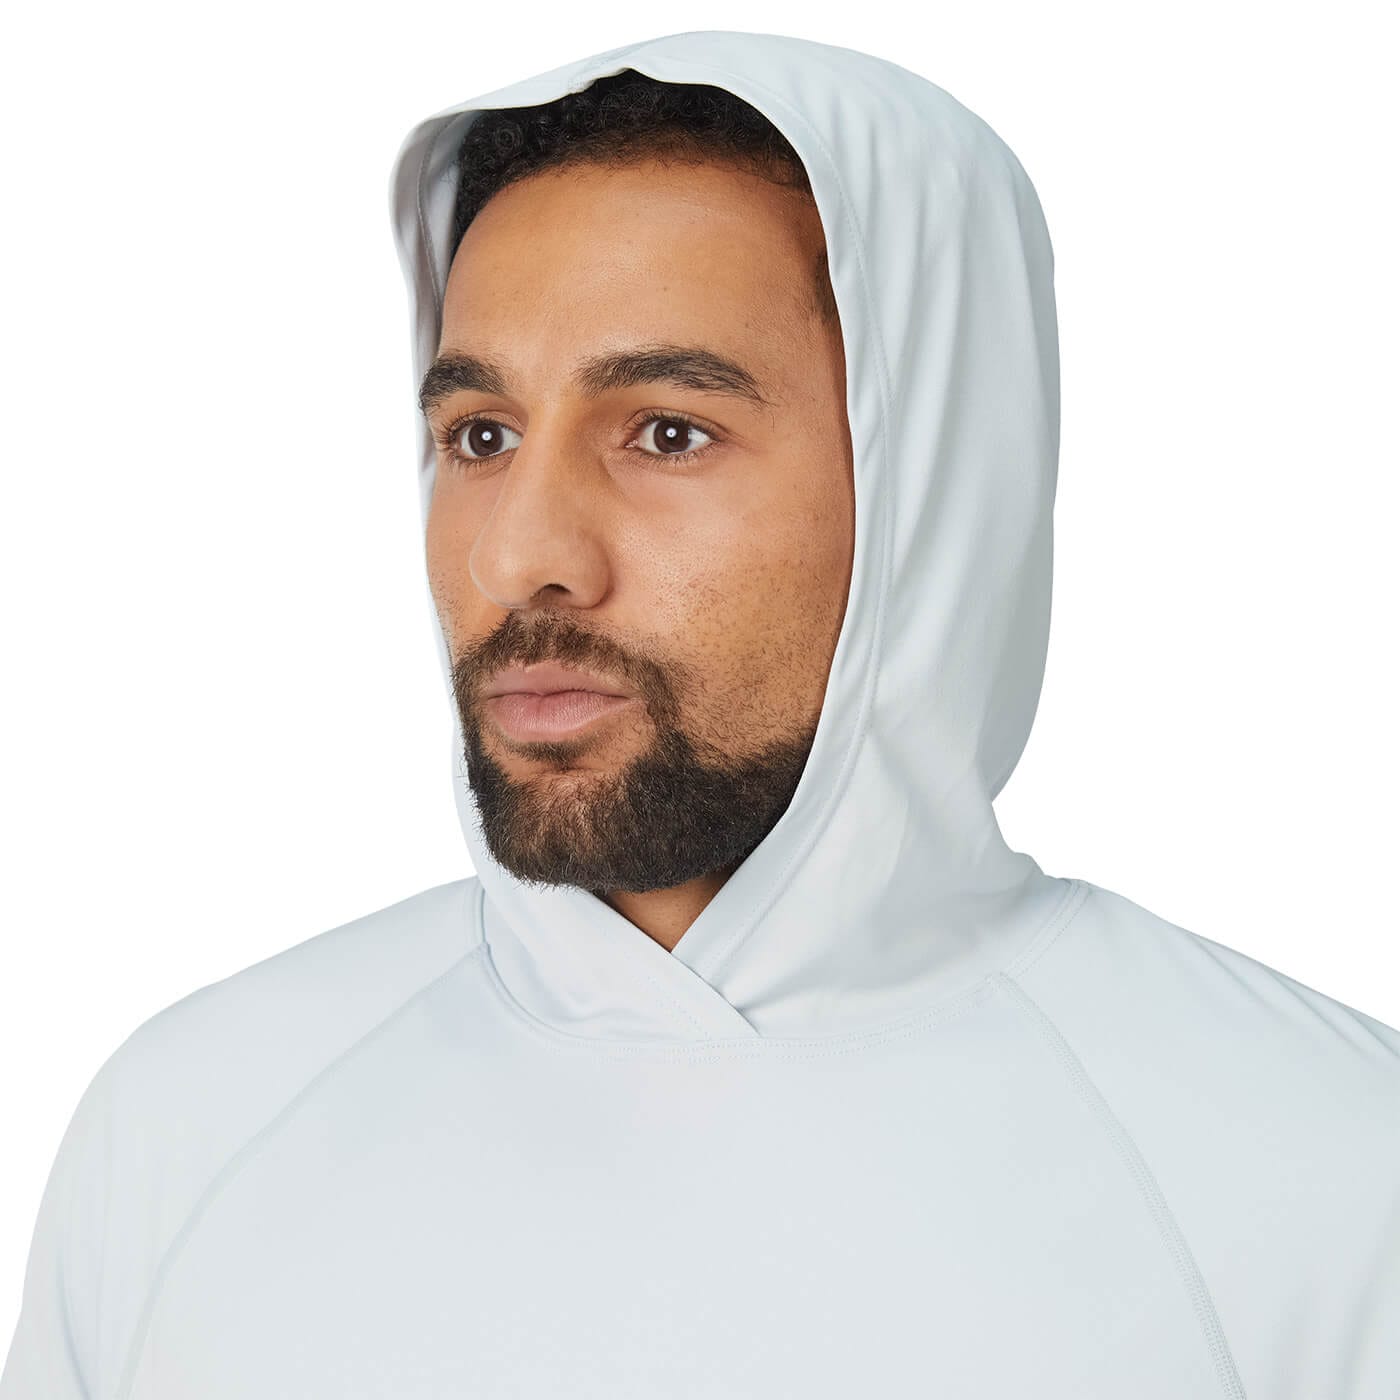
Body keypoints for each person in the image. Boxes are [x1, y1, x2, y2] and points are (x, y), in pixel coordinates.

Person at [3, 28, 1397, 1399]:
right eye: (481, 436)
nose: (518, 556)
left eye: (667, 431)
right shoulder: (187, 1129)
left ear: (930, 489)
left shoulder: (1323, 1178)